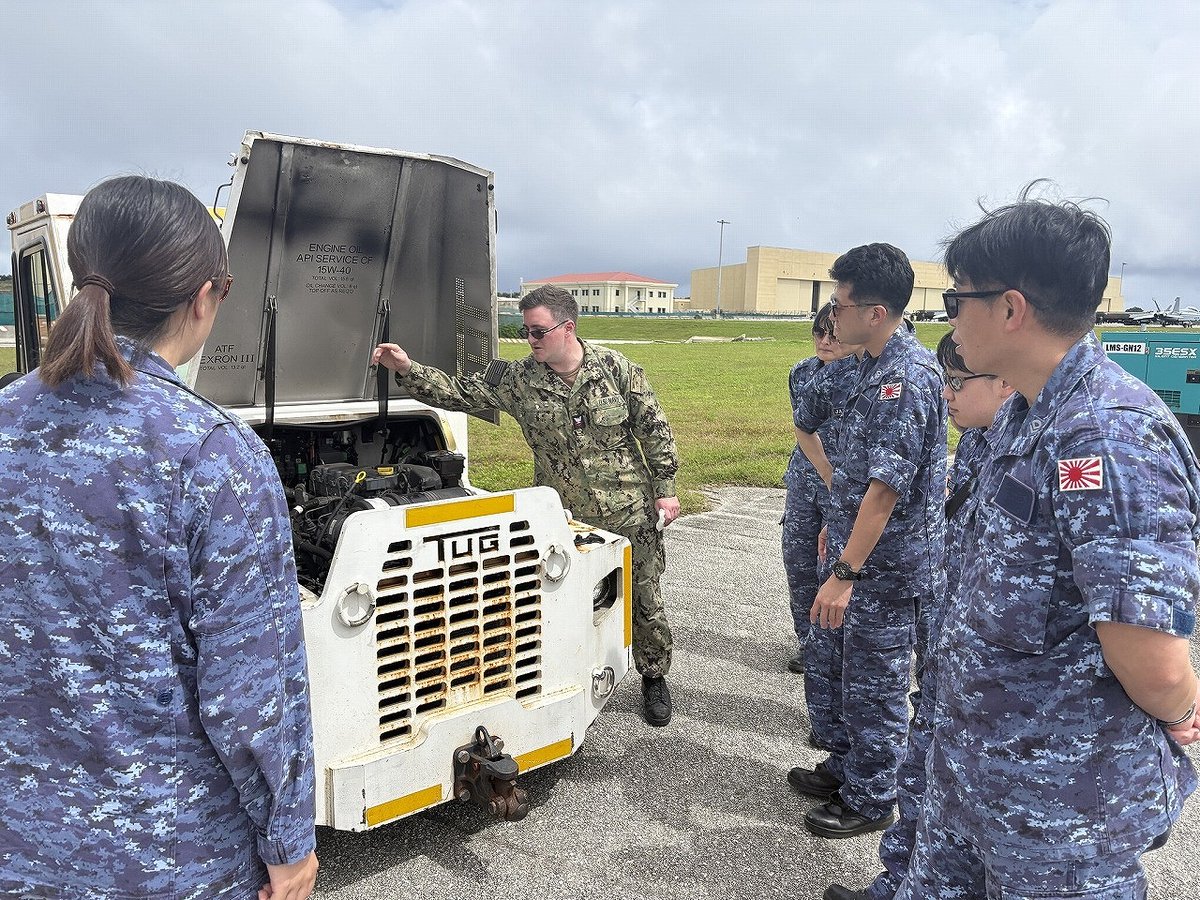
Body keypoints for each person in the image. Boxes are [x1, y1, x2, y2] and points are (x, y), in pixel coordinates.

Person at [0, 176, 318, 900]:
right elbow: (252, 693)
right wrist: (288, 842)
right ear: (204, 297)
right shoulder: (212, 456)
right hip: (169, 860)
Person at [895, 188, 1200, 898]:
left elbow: (1151, 657)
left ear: (1010, 309)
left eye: (956, 300)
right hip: (975, 778)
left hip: (1060, 813)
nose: (950, 319)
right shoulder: (1024, 415)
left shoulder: (1111, 437)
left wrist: (1184, 711)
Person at [372, 284, 680, 726]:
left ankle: (654, 677)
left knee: (644, 597)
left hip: (629, 508)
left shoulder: (617, 370)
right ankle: (568, 680)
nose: (530, 339)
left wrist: (665, 488)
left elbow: (654, 428)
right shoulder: (518, 380)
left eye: (538, 331)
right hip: (564, 516)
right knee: (561, 598)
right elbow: (459, 393)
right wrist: (406, 368)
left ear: (567, 328)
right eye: (525, 331)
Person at [824, 333, 1013, 900]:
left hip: (982, 656)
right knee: (926, 768)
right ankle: (902, 881)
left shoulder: (1055, 441)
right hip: (954, 634)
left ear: (1003, 382)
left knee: (938, 765)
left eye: (957, 382)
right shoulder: (984, 439)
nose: (946, 393)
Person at [788, 243, 947, 839]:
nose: (833, 315)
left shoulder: (907, 377)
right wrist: (836, 520)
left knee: (875, 683)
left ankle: (874, 795)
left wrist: (844, 573)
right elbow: (843, 462)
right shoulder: (867, 365)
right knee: (841, 669)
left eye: (841, 304)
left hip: (886, 566)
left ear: (876, 312)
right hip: (856, 550)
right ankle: (848, 765)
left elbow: (885, 492)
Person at [781, 304, 859, 674]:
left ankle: (834, 647)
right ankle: (808, 642)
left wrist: (834, 480)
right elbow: (803, 427)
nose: (825, 341)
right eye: (818, 332)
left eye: (833, 334)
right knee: (797, 563)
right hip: (804, 481)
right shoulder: (802, 373)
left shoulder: (862, 378)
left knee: (832, 566)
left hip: (842, 485)